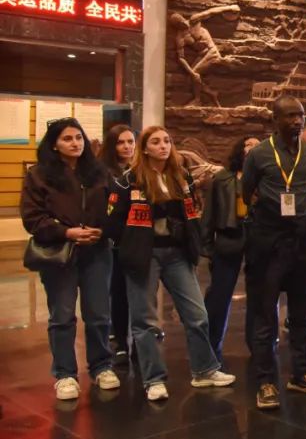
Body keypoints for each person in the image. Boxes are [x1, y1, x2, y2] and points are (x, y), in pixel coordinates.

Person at [107, 126, 235, 401]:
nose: (163, 146)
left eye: (167, 141)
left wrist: (194, 243)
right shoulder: (129, 180)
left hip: (176, 253)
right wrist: (131, 243)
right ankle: (153, 379)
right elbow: (113, 221)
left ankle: (204, 370)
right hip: (145, 255)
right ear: (145, 148)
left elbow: (190, 214)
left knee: (197, 315)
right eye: (156, 142)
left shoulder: (181, 175)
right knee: (145, 321)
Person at [243, 98, 306, 410]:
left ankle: (300, 374)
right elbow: (247, 191)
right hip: (268, 241)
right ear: (275, 119)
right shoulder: (259, 154)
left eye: (301, 115)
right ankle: (266, 381)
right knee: (265, 313)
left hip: (301, 241)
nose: (297, 121)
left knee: (300, 314)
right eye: (290, 115)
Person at [21, 118, 118, 401]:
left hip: (96, 251)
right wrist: (67, 232)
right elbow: (32, 218)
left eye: (79, 138)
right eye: (67, 139)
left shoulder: (99, 172)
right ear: (54, 144)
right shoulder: (38, 175)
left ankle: (101, 366)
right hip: (59, 254)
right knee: (62, 316)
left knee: (99, 314)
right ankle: (65, 374)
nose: (75, 143)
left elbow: (115, 207)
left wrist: (103, 229)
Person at [202, 135, 260, 363]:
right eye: (248, 144)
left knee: (259, 296)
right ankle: (211, 344)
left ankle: (258, 345)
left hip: (257, 240)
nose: (252, 148)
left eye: (257, 145)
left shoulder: (266, 178)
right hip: (228, 239)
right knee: (219, 295)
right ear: (240, 149)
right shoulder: (222, 178)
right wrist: (207, 246)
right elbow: (209, 213)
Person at [101, 124, 136, 365]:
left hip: (140, 239)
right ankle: (120, 341)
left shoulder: (140, 170)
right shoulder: (104, 173)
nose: (126, 147)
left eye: (130, 141)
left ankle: (143, 333)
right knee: (119, 291)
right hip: (115, 241)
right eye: (121, 142)